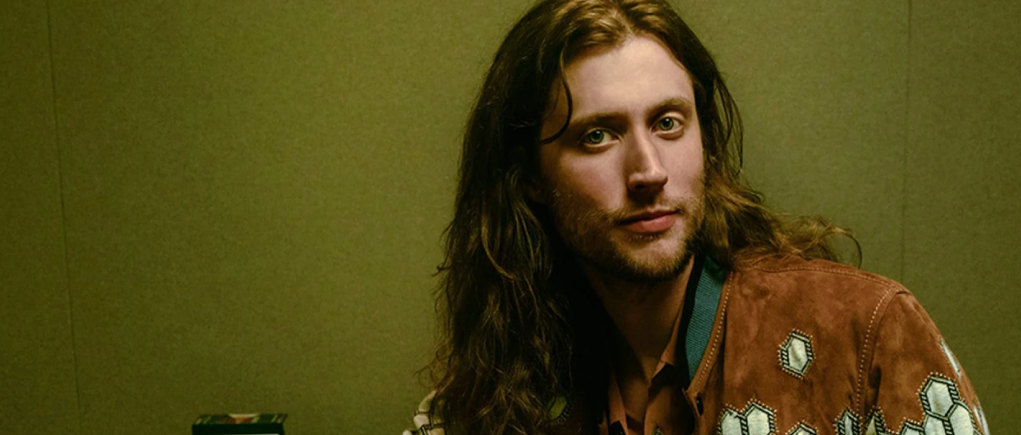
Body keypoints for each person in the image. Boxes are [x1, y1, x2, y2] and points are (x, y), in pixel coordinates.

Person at [406, 1, 987, 434]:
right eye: (598, 135)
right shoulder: (497, 390)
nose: (648, 171)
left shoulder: (867, 336)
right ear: (529, 177)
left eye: (667, 123)